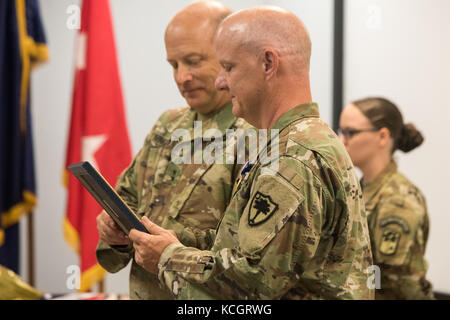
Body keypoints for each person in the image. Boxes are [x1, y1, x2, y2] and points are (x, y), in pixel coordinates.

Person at [128, 6, 374, 300]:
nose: (221, 81)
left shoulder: (294, 158)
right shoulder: (293, 142)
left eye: (229, 67)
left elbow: (252, 283)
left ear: (268, 63)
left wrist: (168, 256)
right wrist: (173, 240)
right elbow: (245, 247)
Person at [95, 1, 252, 300]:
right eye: (174, 65)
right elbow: (126, 199)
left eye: (193, 61)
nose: (182, 77)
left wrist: (167, 244)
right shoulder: (167, 126)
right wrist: (115, 231)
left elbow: (251, 254)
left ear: (228, 54)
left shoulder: (255, 133)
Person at [339, 97, 435, 299]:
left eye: (351, 133)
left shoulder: (398, 200)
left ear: (383, 136)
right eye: (341, 131)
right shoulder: (361, 188)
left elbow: (395, 282)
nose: (342, 141)